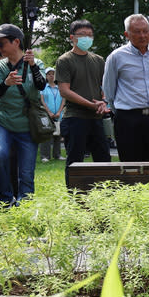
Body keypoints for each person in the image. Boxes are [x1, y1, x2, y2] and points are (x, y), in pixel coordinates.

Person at [0, 23, 46, 205]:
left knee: (26, 172)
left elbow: (41, 85)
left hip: (28, 125)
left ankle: (25, 204)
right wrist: (6, 83)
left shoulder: (37, 64)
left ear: (16, 42)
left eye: (1, 43)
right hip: (4, 123)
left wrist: (33, 65)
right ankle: (5, 200)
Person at [102, 14, 149, 162]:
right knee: (131, 166)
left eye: (145, 31)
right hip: (128, 119)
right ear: (127, 34)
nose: (142, 35)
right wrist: (121, 113)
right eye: (137, 32)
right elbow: (109, 91)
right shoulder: (116, 57)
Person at [55, 19, 111, 187]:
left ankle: (106, 197)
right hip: (75, 118)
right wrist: (91, 104)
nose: (87, 38)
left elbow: (106, 86)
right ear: (72, 37)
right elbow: (64, 91)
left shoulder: (98, 60)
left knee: (104, 159)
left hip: (97, 118)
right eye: (82, 35)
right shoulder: (65, 60)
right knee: (75, 161)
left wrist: (103, 102)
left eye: (90, 35)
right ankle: (75, 197)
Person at [38, 67, 65, 162]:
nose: (51, 76)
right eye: (49, 74)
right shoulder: (43, 87)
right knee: (46, 135)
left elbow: (63, 100)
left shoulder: (59, 87)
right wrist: (48, 112)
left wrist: (59, 112)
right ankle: (45, 156)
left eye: (53, 74)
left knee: (58, 134)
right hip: (46, 115)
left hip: (58, 115)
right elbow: (42, 100)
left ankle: (57, 155)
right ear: (46, 76)